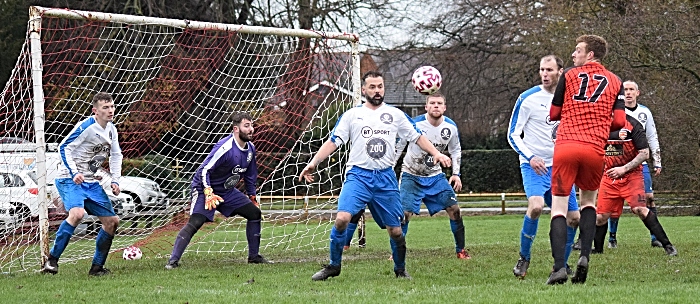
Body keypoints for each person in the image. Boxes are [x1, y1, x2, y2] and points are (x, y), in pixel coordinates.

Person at [299, 71, 451, 281]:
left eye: (380, 86)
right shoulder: (352, 115)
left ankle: (400, 270)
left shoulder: (395, 114)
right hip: (358, 176)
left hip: (385, 179)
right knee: (342, 219)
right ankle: (334, 266)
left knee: (396, 231)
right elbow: (333, 141)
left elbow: (417, 136)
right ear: (364, 89)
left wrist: (436, 153)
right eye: (372, 87)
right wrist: (313, 163)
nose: (377, 90)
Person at [546, 34, 626, 285]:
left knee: (558, 208)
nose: (573, 54)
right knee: (589, 203)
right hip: (595, 148)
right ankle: (585, 257)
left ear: (590, 54)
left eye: (577, 50)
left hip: (567, 144)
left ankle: (559, 267)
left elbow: (554, 112)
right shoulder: (616, 81)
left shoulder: (568, 75)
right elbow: (620, 122)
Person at [165, 112, 271, 269]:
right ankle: (172, 261)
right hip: (204, 189)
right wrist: (208, 191)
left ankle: (254, 257)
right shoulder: (225, 147)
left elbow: (250, 175)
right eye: (246, 126)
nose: (251, 129)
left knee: (254, 214)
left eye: (252, 125)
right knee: (196, 221)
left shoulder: (250, 149)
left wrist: (252, 196)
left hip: (227, 191)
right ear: (236, 129)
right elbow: (204, 170)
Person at [507, 55, 580, 279]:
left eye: (549, 70)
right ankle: (523, 258)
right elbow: (512, 134)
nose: (544, 74)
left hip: (561, 167)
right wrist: (530, 157)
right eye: (541, 70)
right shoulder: (528, 98)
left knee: (574, 218)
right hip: (534, 167)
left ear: (560, 71)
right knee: (536, 206)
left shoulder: (570, 98)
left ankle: (562, 264)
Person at [41, 92, 123, 276]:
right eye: (105, 107)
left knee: (112, 222)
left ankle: (97, 268)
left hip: (91, 182)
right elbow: (64, 147)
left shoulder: (112, 129)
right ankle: (52, 261)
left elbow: (116, 155)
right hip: (69, 179)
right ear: (95, 110)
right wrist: (74, 172)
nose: (110, 111)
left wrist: (115, 181)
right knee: (77, 213)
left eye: (112, 107)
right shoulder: (86, 126)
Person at [393, 92, 469, 260]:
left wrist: (456, 174)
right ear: (426, 107)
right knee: (404, 215)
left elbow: (455, 150)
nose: (436, 106)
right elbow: (399, 146)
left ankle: (461, 250)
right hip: (411, 175)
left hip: (435, 176)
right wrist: (389, 169)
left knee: (454, 210)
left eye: (439, 103)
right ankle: (396, 252)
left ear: (444, 107)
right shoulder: (415, 124)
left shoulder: (451, 127)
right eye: (432, 103)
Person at [592, 114, 677, 256]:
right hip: (609, 177)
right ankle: (598, 250)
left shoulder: (632, 124)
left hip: (631, 175)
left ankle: (668, 246)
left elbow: (644, 153)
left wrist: (623, 169)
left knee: (640, 209)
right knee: (601, 217)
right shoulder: (597, 122)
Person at [606, 80, 664, 249]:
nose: (629, 92)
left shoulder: (645, 112)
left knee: (648, 198)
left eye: (632, 89)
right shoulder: (615, 112)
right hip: (616, 162)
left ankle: (655, 237)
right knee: (614, 202)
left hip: (639, 163)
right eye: (626, 90)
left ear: (637, 93)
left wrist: (657, 161)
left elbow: (652, 136)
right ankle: (612, 238)